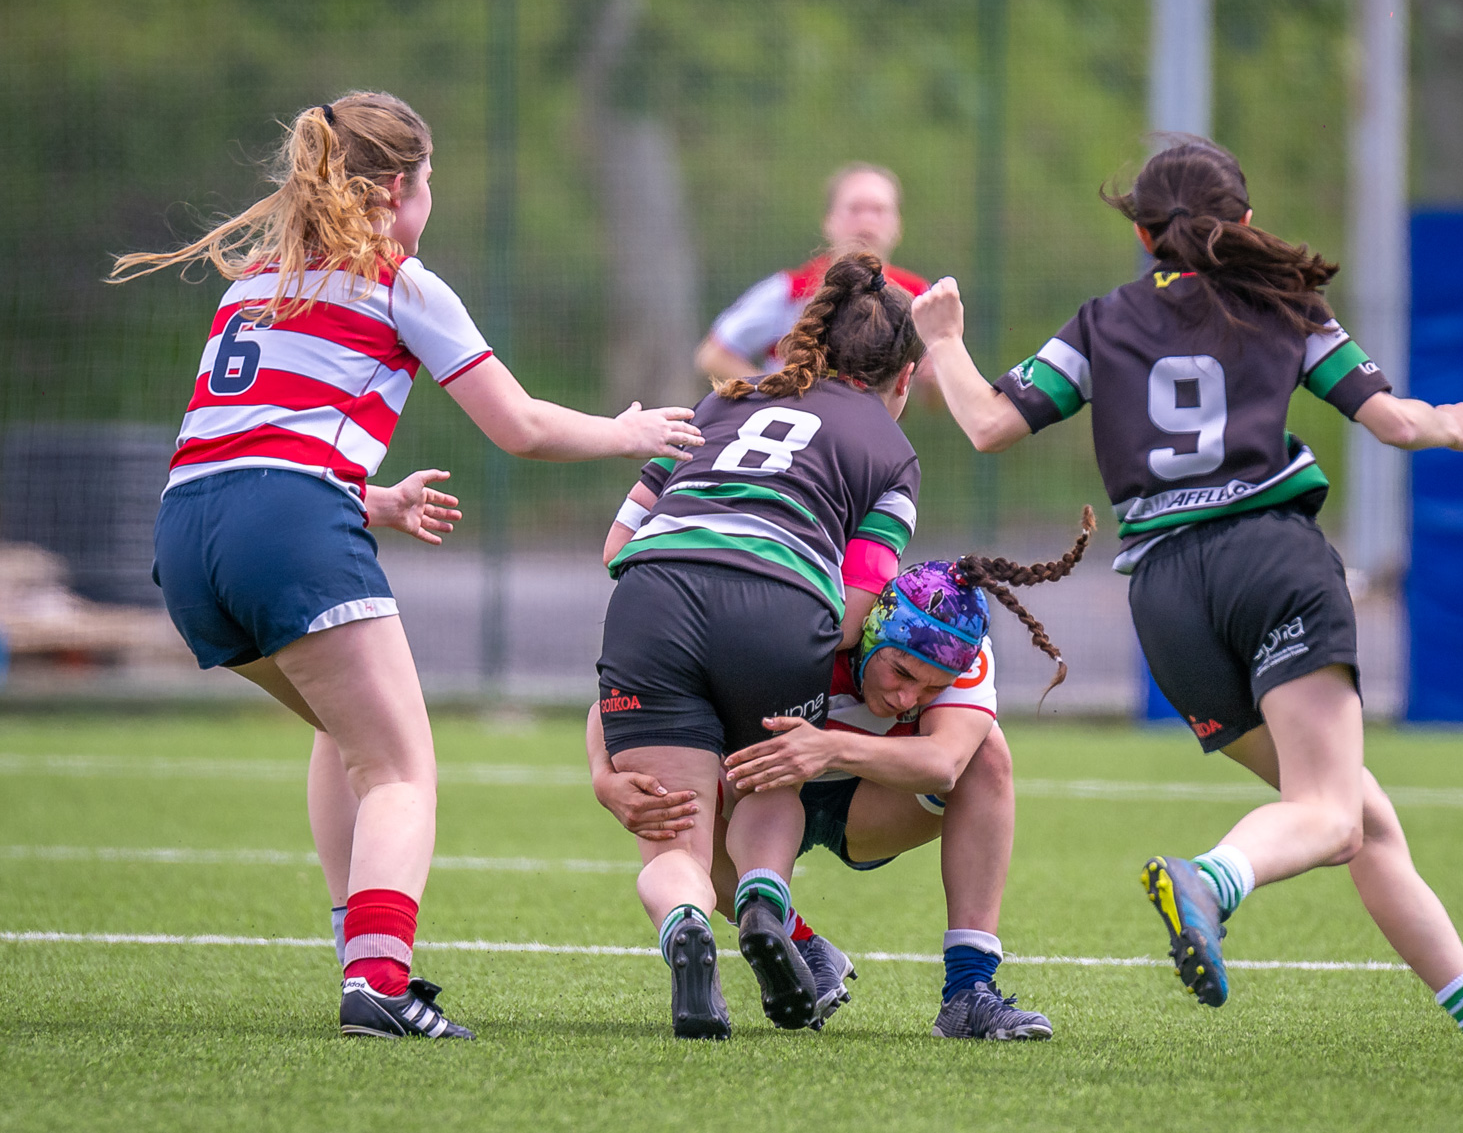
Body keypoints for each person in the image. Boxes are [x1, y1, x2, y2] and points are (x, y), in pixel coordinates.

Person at [910, 136, 1463, 1080]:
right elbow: (1392, 420)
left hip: (1168, 600)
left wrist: (942, 340)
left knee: (1359, 819)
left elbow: (985, 423)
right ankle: (1209, 880)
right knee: (1331, 814)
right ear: (1245, 225)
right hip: (1271, 563)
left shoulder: (1099, 322)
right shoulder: (1289, 306)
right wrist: (1449, 424)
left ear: (1142, 233)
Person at [110, 91, 702, 1041]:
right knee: (399, 768)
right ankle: (380, 982)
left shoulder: (255, 281)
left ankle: (361, 955)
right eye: (429, 185)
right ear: (396, 188)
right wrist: (625, 432)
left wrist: (369, 499)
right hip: (286, 522)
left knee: (347, 736)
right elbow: (520, 425)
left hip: (186, 536)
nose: (431, 204)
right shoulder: (399, 280)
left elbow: (245, 445)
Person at [591, 512, 1093, 1040]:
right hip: (754, 800)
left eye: (929, 689)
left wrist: (828, 748)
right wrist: (604, 779)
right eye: (900, 672)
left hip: (873, 806)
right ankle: (798, 944)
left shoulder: (963, 652)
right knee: (677, 796)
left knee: (985, 754)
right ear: (870, 632)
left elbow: (944, 761)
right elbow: (637, 694)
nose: (907, 699)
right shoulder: (806, 625)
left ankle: (968, 992)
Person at [597, 250, 924, 1039]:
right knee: (767, 783)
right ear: (904, 379)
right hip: (778, 609)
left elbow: (616, 547)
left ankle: (684, 923)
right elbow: (852, 610)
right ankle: (764, 900)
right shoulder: (891, 451)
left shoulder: (719, 402)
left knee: (675, 830)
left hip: (654, 598)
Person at [695, 164, 930, 380]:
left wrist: (933, 375)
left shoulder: (918, 296)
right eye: (855, 209)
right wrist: (773, 395)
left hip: (871, 426)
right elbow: (712, 355)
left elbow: (934, 396)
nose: (866, 221)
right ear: (829, 221)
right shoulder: (791, 290)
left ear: (898, 224)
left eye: (878, 210)